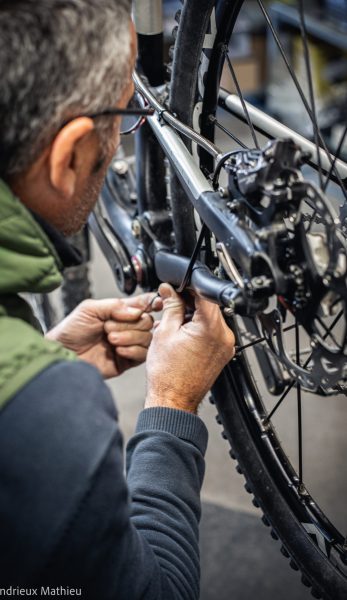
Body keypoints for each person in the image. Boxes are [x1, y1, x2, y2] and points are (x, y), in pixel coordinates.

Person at [0, 1, 235, 598]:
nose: (126, 136)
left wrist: (41, 357)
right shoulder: (40, 420)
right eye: (123, 116)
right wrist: (172, 404)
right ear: (71, 155)